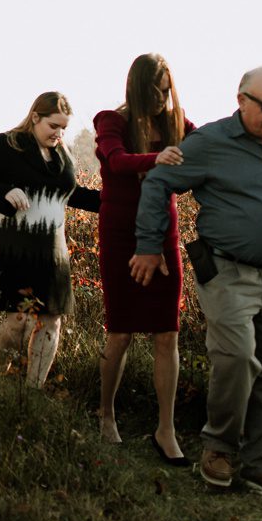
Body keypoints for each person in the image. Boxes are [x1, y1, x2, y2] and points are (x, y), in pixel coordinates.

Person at [131, 66, 262, 504]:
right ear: (242, 100)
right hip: (226, 270)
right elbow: (159, 182)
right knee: (237, 357)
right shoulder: (211, 144)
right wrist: (148, 245)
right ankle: (218, 449)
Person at [93, 54, 195, 460]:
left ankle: (166, 429)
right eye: (156, 91)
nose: (163, 99)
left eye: (168, 91)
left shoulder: (179, 124)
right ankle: (105, 414)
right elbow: (116, 161)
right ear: (137, 88)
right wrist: (159, 158)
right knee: (120, 331)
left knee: (167, 331)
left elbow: (204, 152)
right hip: (119, 235)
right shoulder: (111, 121)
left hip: (165, 235)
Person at [0, 92, 100, 386]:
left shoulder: (62, 154)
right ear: (35, 117)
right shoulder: (7, 144)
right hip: (15, 246)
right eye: (53, 126)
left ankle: (33, 389)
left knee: (52, 319)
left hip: (53, 249)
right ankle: (3, 383)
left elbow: (69, 193)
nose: (58, 133)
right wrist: (5, 192)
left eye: (63, 128)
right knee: (19, 319)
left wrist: (113, 201)